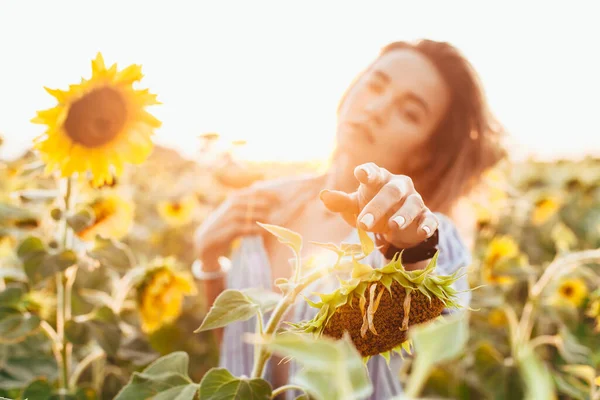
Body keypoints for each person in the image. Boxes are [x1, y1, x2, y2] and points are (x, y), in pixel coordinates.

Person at [193, 39, 506, 399]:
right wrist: (209, 261)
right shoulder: (267, 200)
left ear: (426, 153)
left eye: (410, 112)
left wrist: (412, 251)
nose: (376, 109)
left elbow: (426, 314)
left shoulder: (417, 234)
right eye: (376, 85)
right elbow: (243, 352)